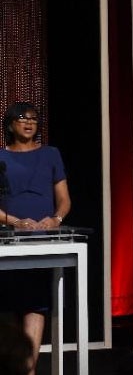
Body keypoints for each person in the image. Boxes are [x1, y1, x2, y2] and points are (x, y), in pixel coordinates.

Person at [0, 101, 72, 375]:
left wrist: (55, 220)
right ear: (10, 124)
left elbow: (64, 200)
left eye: (33, 118)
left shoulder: (51, 154)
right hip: (8, 242)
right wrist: (15, 221)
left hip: (42, 241)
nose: (29, 122)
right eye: (22, 118)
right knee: (7, 302)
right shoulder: (1, 158)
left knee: (35, 301)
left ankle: (28, 369)